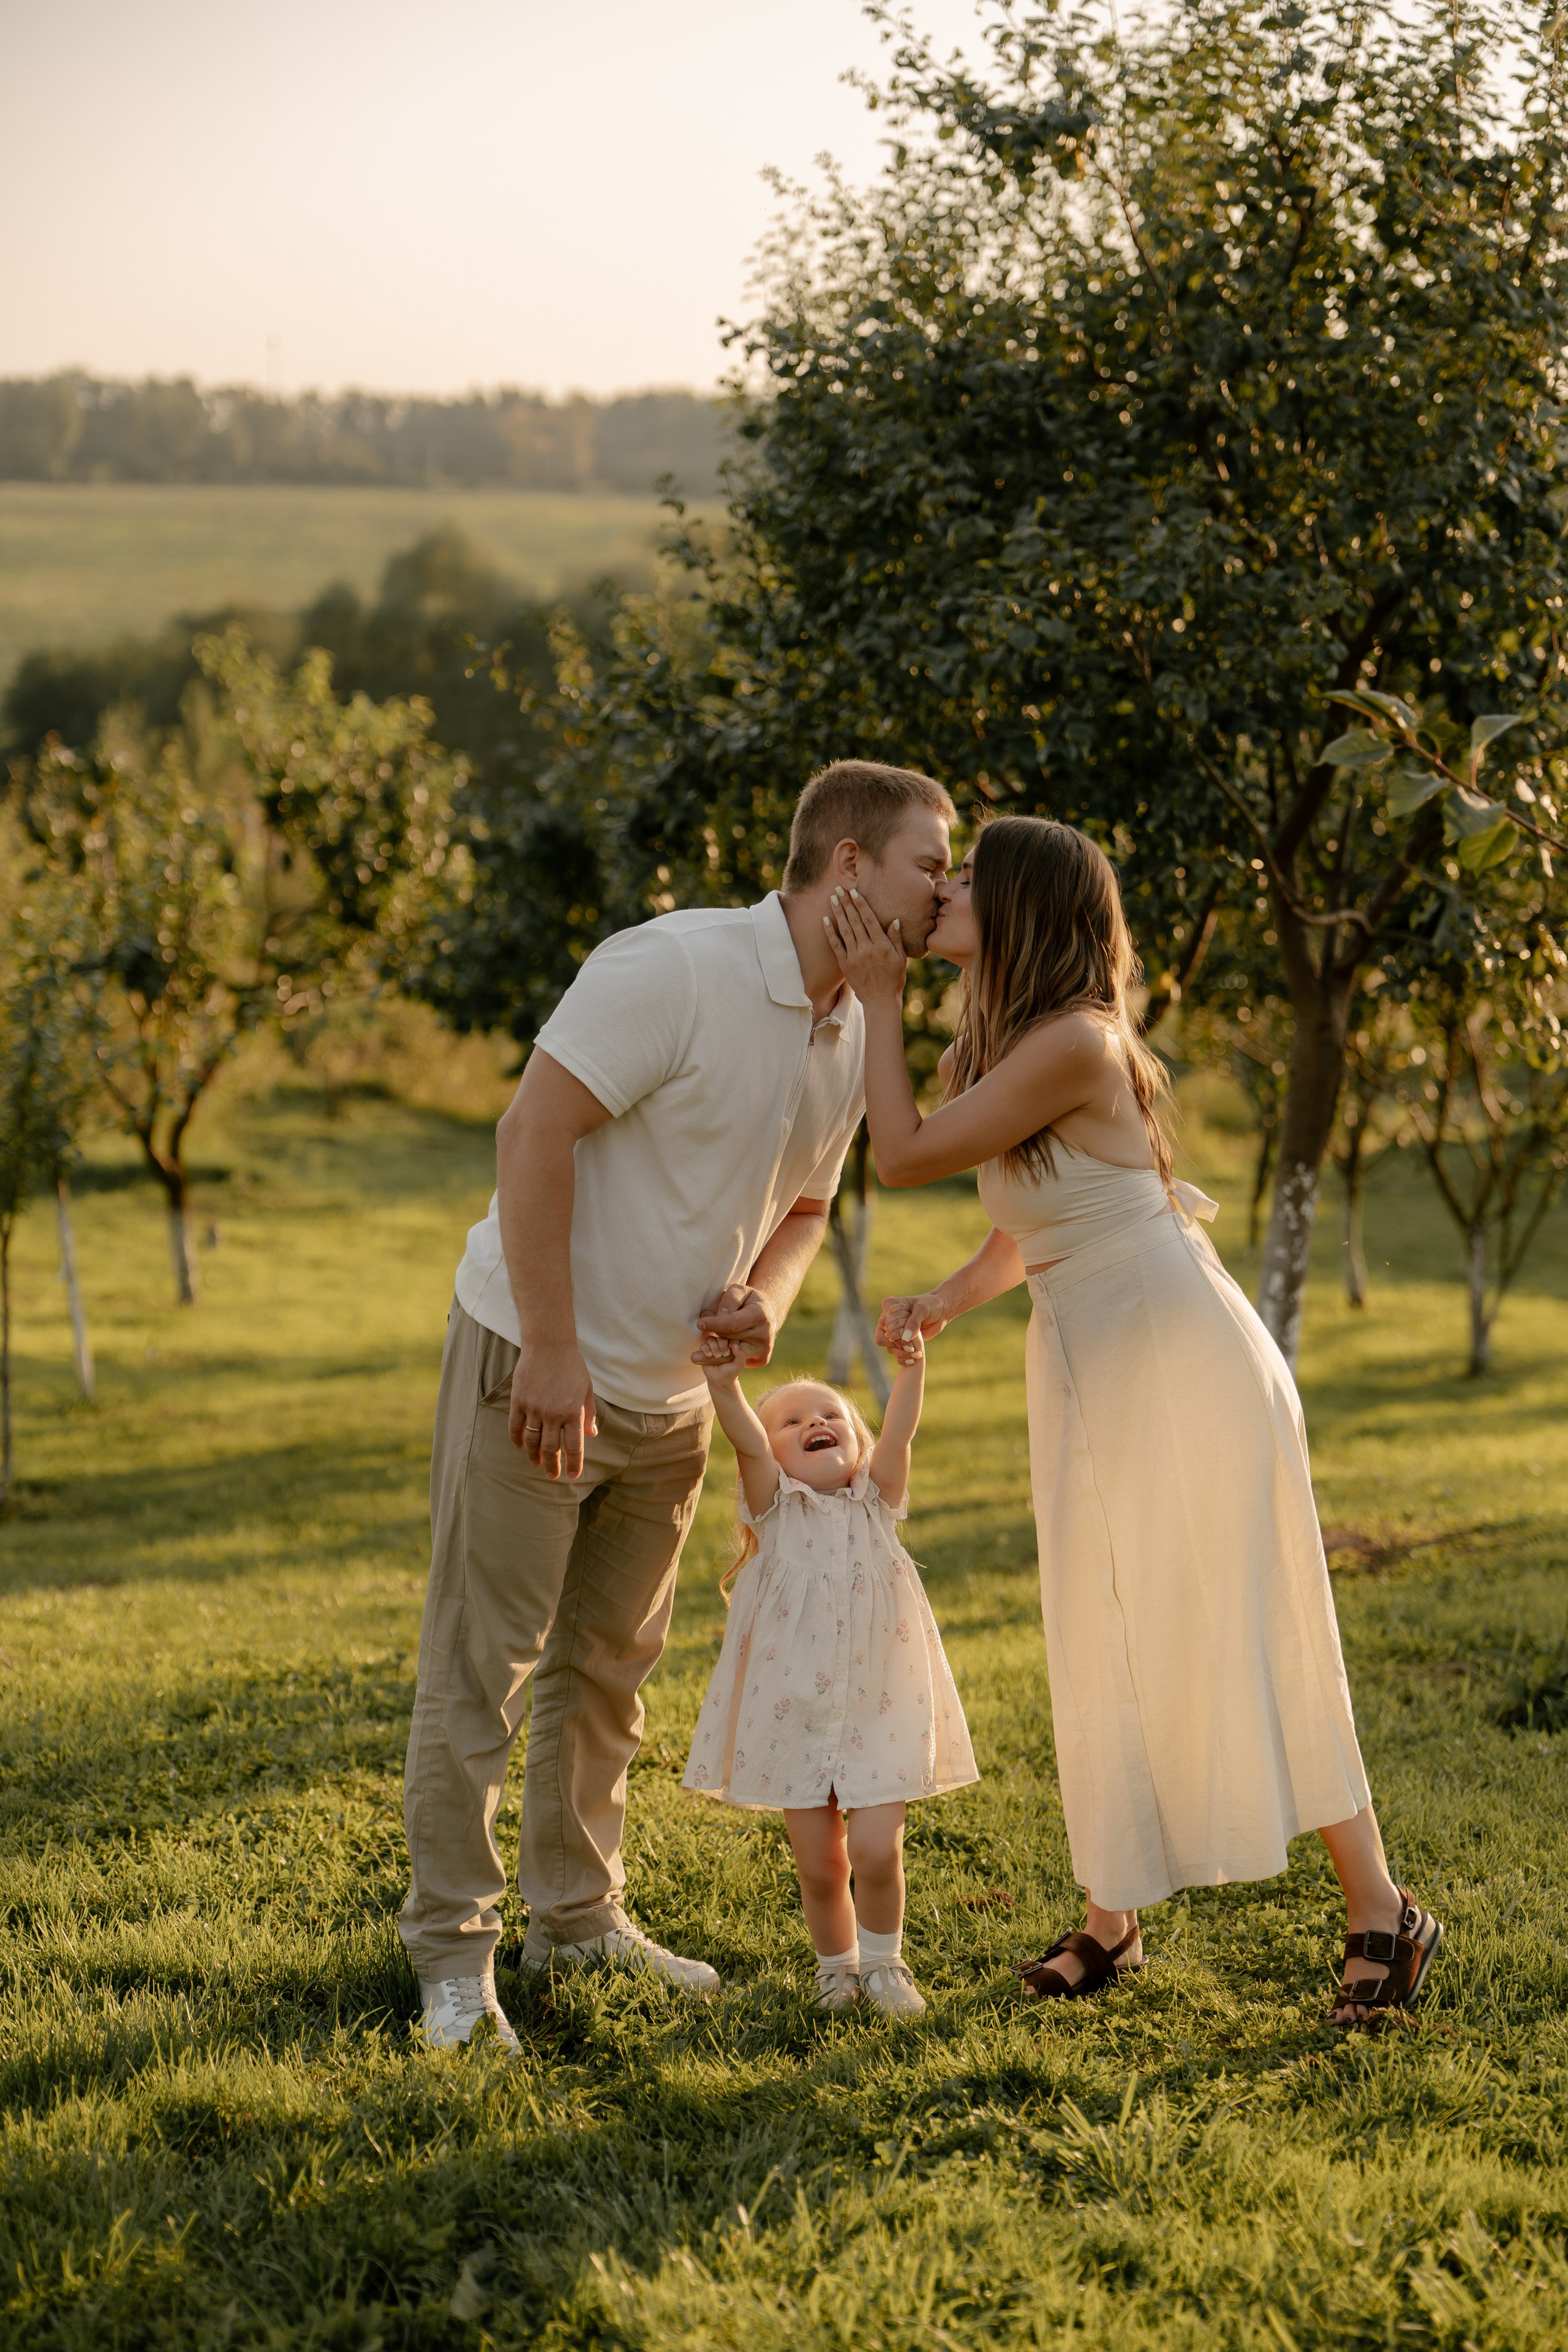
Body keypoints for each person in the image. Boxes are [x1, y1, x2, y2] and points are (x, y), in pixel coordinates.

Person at [824, 816, 1443, 2029]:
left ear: (1022, 911)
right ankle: (1112, 1921)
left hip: (1179, 1362)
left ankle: (1382, 1908)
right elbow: (1034, 1221)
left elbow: (894, 1158)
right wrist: (948, 1299)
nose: (941, 889)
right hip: (1085, 1363)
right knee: (1096, 1626)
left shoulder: (1075, 1042)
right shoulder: (1009, 1049)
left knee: (1249, 1619)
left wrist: (873, 999)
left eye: (966, 879)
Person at [399, 759, 957, 2052]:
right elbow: (531, 1134)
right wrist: (548, 1346)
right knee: (482, 1668)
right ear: (847, 867)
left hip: (673, 1409)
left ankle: (578, 1917)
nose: (944, 891)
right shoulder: (677, 966)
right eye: (929, 865)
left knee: (607, 1672)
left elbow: (809, 1207)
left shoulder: (843, 1033)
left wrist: (765, 1290)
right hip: (536, 1368)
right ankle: (449, 1963)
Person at [682, 1332, 977, 2018]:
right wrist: (724, 1386)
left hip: (881, 1706)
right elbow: (746, 1445)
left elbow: (899, 1435)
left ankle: (884, 1966)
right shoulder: (775, 1512)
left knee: (876, 1850)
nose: (815, 1423)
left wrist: (913, 1368)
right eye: (792, 1421)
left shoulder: (876, 1503)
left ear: (856, 1442)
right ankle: (835, 1971)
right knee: (821, 1865)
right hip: (794, 1713)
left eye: (831, 1415)